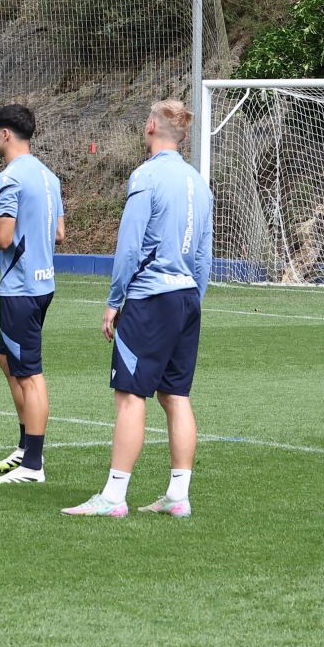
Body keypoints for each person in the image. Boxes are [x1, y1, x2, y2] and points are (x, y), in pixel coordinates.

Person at [64, 101, 213, 518]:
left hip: (151, 298)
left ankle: (113, 497)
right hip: (186, 298)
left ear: (150, 127)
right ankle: (178, 496)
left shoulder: (146, 176)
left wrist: (115, 301)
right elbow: (203, 255)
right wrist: (193, 297)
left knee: (130, 396)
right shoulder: (198, 183)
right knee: (176, 395)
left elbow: (129, 246)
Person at [0, 103, 64, 485]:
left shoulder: (10, 177)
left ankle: (33, 464)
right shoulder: (48, 176)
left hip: (21, 287)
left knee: (30, 375)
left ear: (6, 134)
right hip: (43, 283)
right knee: (5, 358)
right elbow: (58, 234)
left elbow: (4, 238)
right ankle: (27, 446)